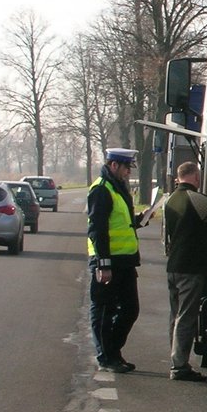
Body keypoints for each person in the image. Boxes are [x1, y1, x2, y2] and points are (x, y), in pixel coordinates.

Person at [164, 161, 207, 381]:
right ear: (194, 177)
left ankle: (175, 358)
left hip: (173, 266)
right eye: (198, 176)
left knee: (175, 315)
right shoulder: (198, 199)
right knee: (186, 316)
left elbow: (185, 233)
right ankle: (179, 365)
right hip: (191, 267)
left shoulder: (170, 200)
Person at [87, 147, 144, 373]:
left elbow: (119, 222)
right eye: (126, 167)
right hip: (108, 262)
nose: (128, 172)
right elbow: (98, 229)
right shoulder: (102, 190)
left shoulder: (117, 188)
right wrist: (103, 263)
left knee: (131, 309)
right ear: (114, 165)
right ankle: (106, 356)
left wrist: (139, 220)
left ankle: (113, 350)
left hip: (126, 261)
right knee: (103, 310)